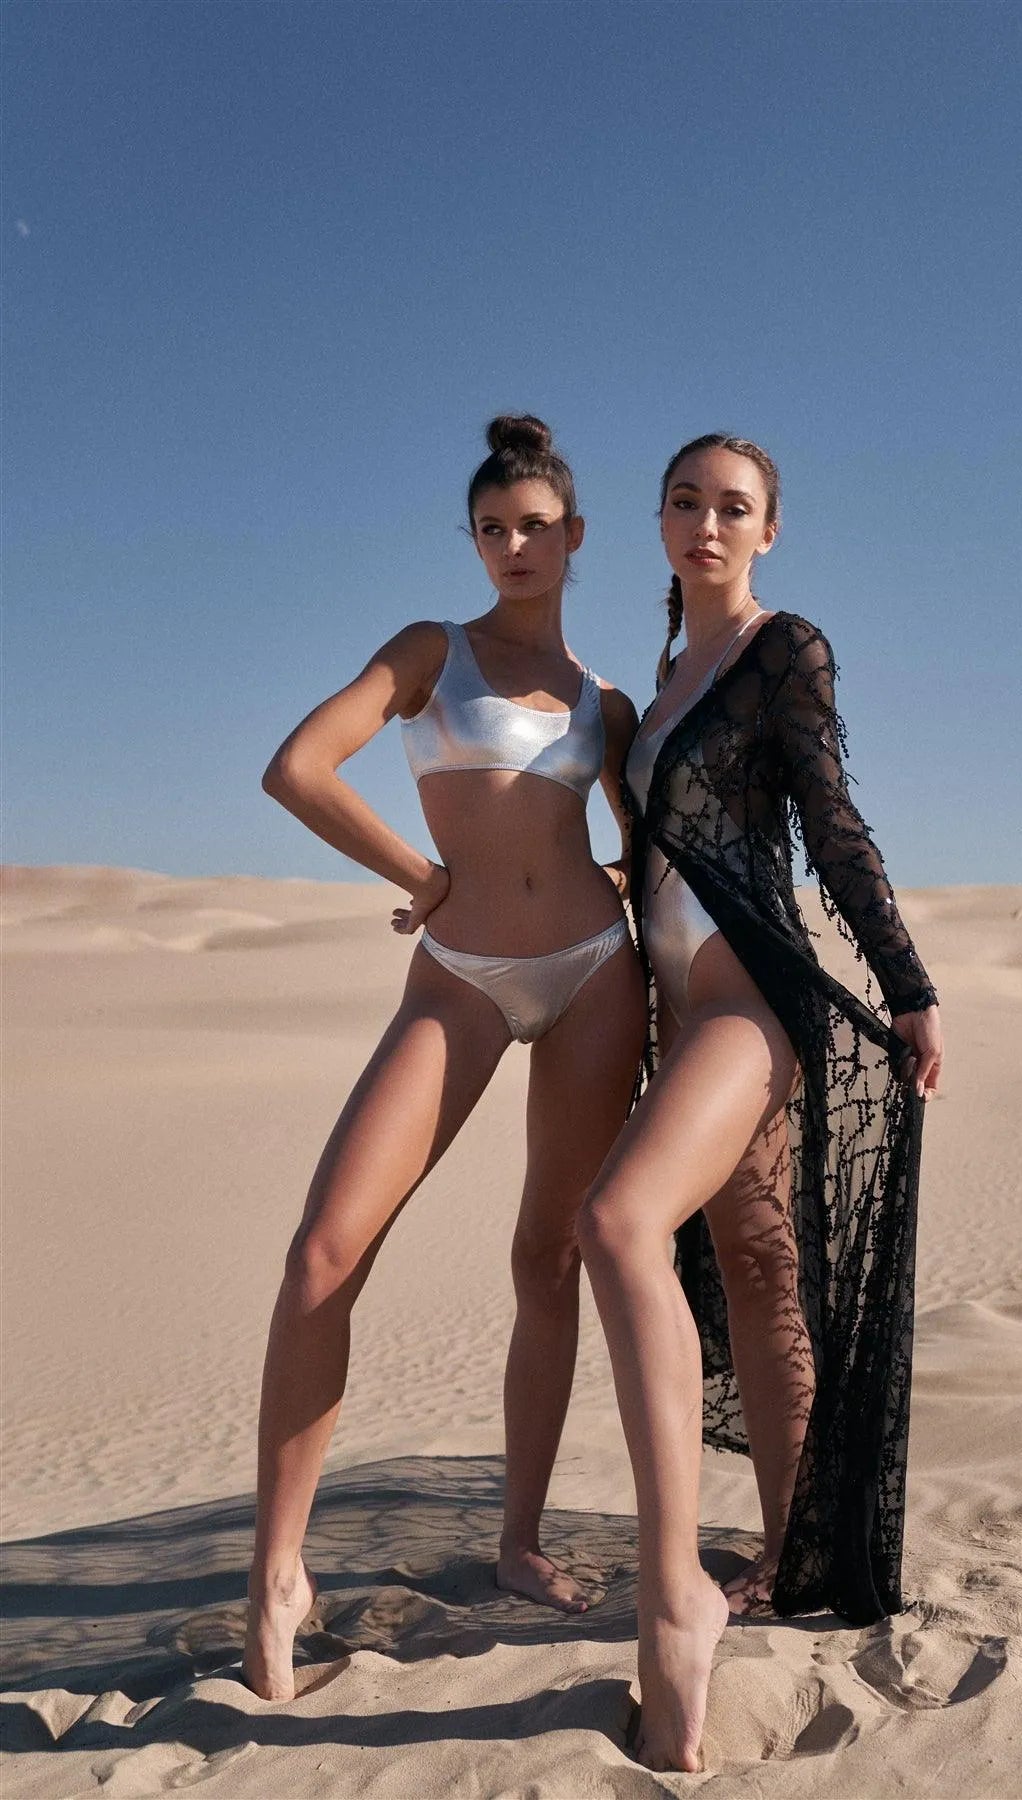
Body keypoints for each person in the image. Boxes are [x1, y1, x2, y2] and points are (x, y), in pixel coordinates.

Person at [244, 415, 645, 1701]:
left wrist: (626, 887)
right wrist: (418, 874)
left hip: (595, 974)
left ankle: (520, 1541)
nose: (513, 545)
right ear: (472, 542)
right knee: (323, 1253)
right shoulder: (432, 652)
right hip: (459, 977)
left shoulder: (608, 704)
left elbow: (650, 845)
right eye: (491, 528)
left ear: (576, 537)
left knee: (550, 1256)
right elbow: (298, 768)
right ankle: (277, 1575)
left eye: (535, 526)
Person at [577, 433, 943, 1772]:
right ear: (660, 521)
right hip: (675, 1012)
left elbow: (830, 822)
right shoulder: (663, 681)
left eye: (735, 507)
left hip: (750, 1000)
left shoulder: (784, 650)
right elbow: (646, 856)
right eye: (687, 502)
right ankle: (795, 1554)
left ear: (769, 530)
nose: (708, 524)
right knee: (755, 1260)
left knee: (618, 1223)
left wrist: (907, 984)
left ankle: (673, 1586)